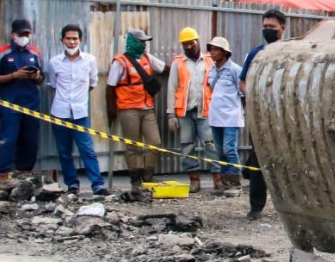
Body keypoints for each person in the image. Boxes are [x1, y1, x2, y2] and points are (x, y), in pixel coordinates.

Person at [45, 24, 108, 196]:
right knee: (64, 152)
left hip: (80, 114)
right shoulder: (55, 62)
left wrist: (78, 100)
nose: (72, 42)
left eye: (75, 38)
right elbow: (53, 85)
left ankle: (98, 185)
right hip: (59, 113)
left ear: (80, 40)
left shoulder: (89, 60)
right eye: (68, 38)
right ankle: (72, 185)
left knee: (87, 150)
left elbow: (93, 83)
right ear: (62, 40)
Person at [106, 29, 168, 191]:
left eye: (145, 42)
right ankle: (135, 182)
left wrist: (180, 70)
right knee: (133, 146)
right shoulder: (120, 62)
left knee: (155, 142)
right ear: (133, 42)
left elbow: (164, 69)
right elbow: (110, 87)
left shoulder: (147, 57)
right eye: (141, 41)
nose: (144, 44)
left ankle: (148, 177)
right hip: (128, 109)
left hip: (147, 108)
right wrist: (111, 111)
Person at [240, 9, 287, 219]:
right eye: (265, 27)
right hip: (260, 117)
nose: (268, 30)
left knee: (288, 161)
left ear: (282, 29)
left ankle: (290, 209)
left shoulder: (291, 52)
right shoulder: (255, 54)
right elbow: (242, 82)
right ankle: (256, 207)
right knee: (258, 161)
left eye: (272, 28)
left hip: (286, 118)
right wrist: (255, 96)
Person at [0, 17, 45, 177]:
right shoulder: (2, 53)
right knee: (8, 142)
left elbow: (42, 79)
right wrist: (15, 75)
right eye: (21, 34)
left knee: (30, 143)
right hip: (10, 106)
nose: (24, 37)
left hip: (31, 105)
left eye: (27, 34)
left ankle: (25, 179)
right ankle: (3, 178)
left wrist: (36, 77)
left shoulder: (35, 53)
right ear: (13, 34)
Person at [167, 27, 214, 193]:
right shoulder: (177, 63)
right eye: (185, 44)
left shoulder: (209, 61)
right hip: (184, 112)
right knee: (187, 147)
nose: (188, 47)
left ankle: (218, 179)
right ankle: (194, 180)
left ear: (198, 41)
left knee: (211, 144)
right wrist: (171, 114)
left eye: (191, 43)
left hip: (205, 110)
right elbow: (172, 88)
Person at [206, 36, 244, 194]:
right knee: (220, 151)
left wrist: (240, 111)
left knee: (230, 149)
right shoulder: (212, 70)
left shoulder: (235, 69)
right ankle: (225, 183)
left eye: (216, 49)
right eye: (211, 49)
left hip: (231, 117)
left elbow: (243, 91)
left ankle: (235, 184)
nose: (212, 53)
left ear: (224, 52)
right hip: (216, 116)